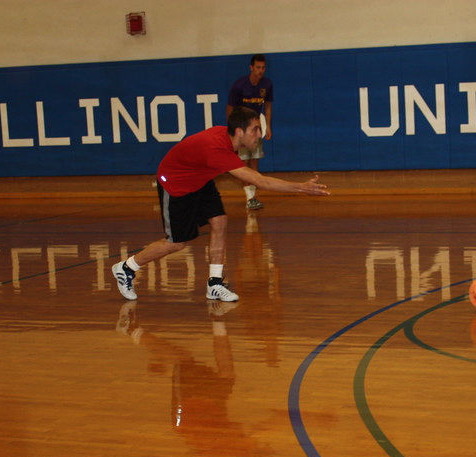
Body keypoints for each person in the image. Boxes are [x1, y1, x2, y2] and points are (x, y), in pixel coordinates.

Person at [111, 106, 328, 303]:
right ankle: (127, 267)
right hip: (176, 183)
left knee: (220, 220)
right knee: (177, 243)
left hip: (200, 177)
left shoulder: (228, 138)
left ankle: (214, 284)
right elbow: (260, 181)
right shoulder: (217, 150)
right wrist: (302, 187)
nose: (260, 135)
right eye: (255, 130)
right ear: (240, 132)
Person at [226, 54, 272, 210]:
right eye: (258, 67)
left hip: (256, 127)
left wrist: (268, 126)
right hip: (242, 129)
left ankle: (253, 195)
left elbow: (267, 106)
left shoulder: (267, 84)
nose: (261, 71)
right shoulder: (239, 85)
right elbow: (230, 109)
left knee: (255, 161)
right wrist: (233, 130)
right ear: (251, 68)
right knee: (243, 162)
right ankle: (249, 197)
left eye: (263, 67)